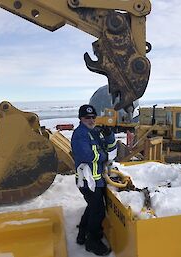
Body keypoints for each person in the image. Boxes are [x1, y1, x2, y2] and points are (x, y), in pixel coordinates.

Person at [71, 104, 117, 256]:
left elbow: (110, 147)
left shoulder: (95, 132)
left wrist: (109, 134)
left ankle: (82, 234)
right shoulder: (80, 134)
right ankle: (92, 242)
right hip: (88, 182)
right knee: (98, 212)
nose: (91, 120)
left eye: (93, 117)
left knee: (92, 207)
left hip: (96, 180)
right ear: (80, 119)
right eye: (87, 118)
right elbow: (87, 155)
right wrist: (105, 157)